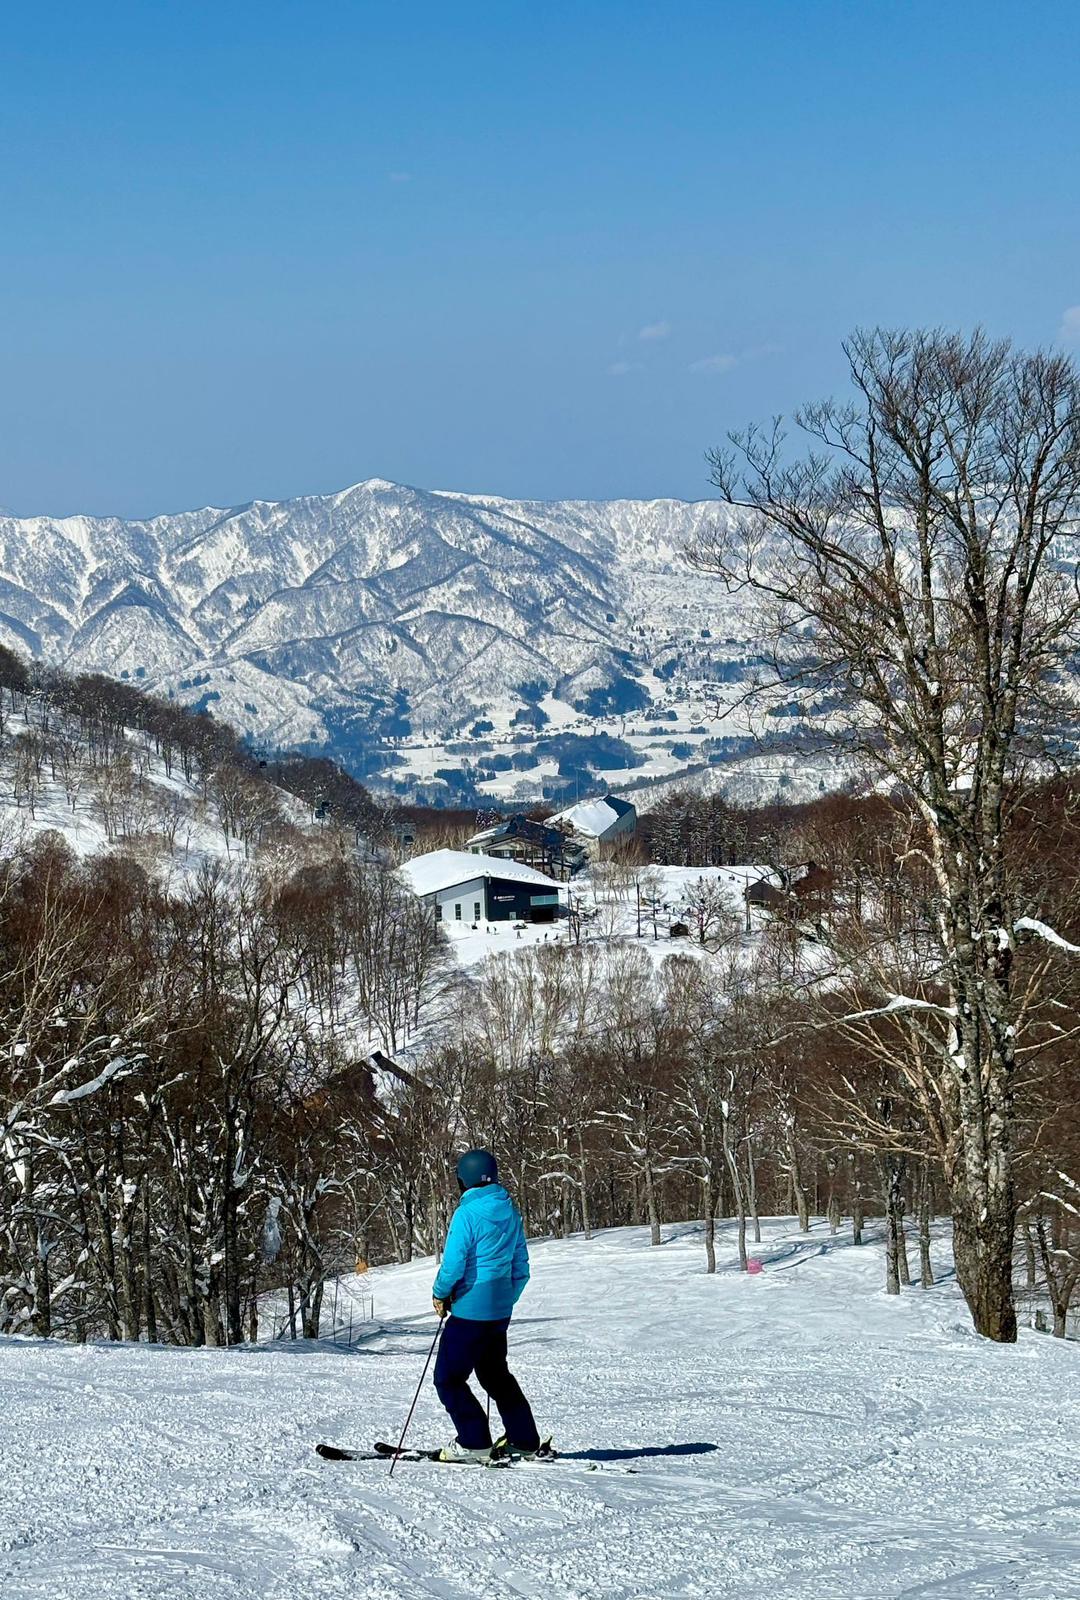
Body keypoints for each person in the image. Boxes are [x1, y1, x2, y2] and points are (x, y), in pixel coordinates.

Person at [431, 1148, 542, 1462]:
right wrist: (506, 1298)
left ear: (463, 1180)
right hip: (499, 1312)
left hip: (470, 1310)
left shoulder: (466, 1213)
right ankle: (524, 1440)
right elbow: (521, 1266)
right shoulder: (509, 1209)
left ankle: (474, 1441)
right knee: (495, 1375)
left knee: (448, 1378)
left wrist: (440, 1293)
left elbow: (453, 1265)